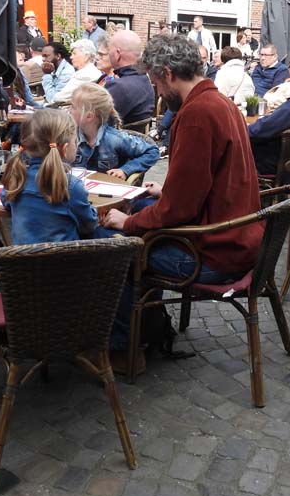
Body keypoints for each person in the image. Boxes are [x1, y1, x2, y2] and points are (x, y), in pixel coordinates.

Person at [102, 34, 263, 357]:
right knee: (143, 204)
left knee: (109, 247)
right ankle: (150, 329)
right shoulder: (222, 103)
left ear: (168, 73)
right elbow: (212, 182)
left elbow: (179, 210)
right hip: (239, 238)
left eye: (157, 83)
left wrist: (128, 223)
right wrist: (167, 192)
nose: (158, 93)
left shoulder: (196, 115)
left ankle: (124, 346)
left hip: (215, 254)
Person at [2, 108, 97, 246]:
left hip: (21, 258)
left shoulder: (17, 179)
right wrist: (94, 211)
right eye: (76, 141)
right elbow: (88, 226)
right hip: (66, 258)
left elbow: (5, 200)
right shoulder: (70, 186)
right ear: (65, 149)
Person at [71, 83, 159, 179]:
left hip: (106, 186)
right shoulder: (69, 136)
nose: (69, 110)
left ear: (89, 116)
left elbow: (152, 151)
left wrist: (125, 170)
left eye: (73, 107)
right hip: (77, 186)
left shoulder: (115, 139)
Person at [106, 30, 155, 125]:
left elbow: (95, 122)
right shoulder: (145, 80)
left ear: (117, 54)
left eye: (109, 50)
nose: (108, 54)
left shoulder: (119, 87)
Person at [53, 38, 104, 104]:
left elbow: (59, 98)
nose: (71, 57)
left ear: (86, 57)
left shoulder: (85, 75)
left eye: (74, 54)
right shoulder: (89, 72)